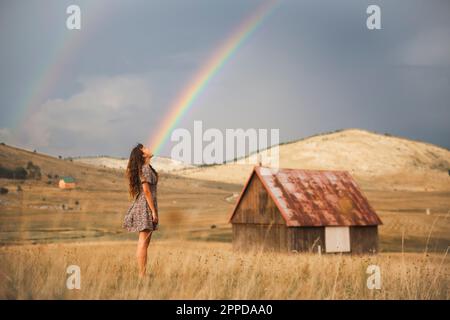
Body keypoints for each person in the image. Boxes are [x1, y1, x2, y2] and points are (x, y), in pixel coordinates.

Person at [123, 143, 159, 277]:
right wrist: (153, 211)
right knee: (143, 242)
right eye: (144, 148)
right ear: (142, 154)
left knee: (145, 242)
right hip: (145, 206)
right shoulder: (145, 168)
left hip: (146, 205)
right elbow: (146, 191)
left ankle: (142, 273)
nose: (148, 148)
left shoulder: (147, 168)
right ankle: (142, 275)